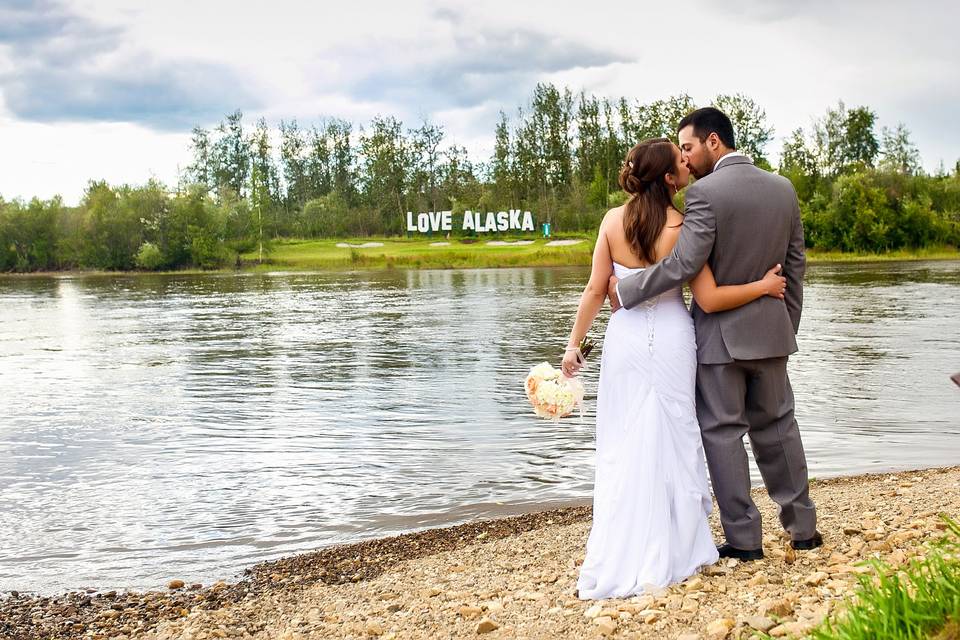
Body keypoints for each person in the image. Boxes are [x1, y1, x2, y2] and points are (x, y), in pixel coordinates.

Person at [562, 137, 788, 599]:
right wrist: (764, 287)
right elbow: (708, 299)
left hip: (624, 338)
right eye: (679, 162)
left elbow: (593, 291)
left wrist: (573, 347)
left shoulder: (611, 222)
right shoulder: (684, 227)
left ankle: (623, 541)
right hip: (672, 338)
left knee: (623, 437)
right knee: (677, 430)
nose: (687, 165)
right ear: (668, 178)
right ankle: (678, 542)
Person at [608, 107, 821, 563]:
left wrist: (627, 290)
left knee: (723, 433)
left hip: (720, 341)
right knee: (780, 427)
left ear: (713, 143)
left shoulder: (705, 194)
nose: (684, 158)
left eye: (687, 147)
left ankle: (746, 541)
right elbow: (797, 265)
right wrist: (787, 325)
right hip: (772, 333)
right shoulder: (783, 189)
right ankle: (803, 528)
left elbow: (685, 264)